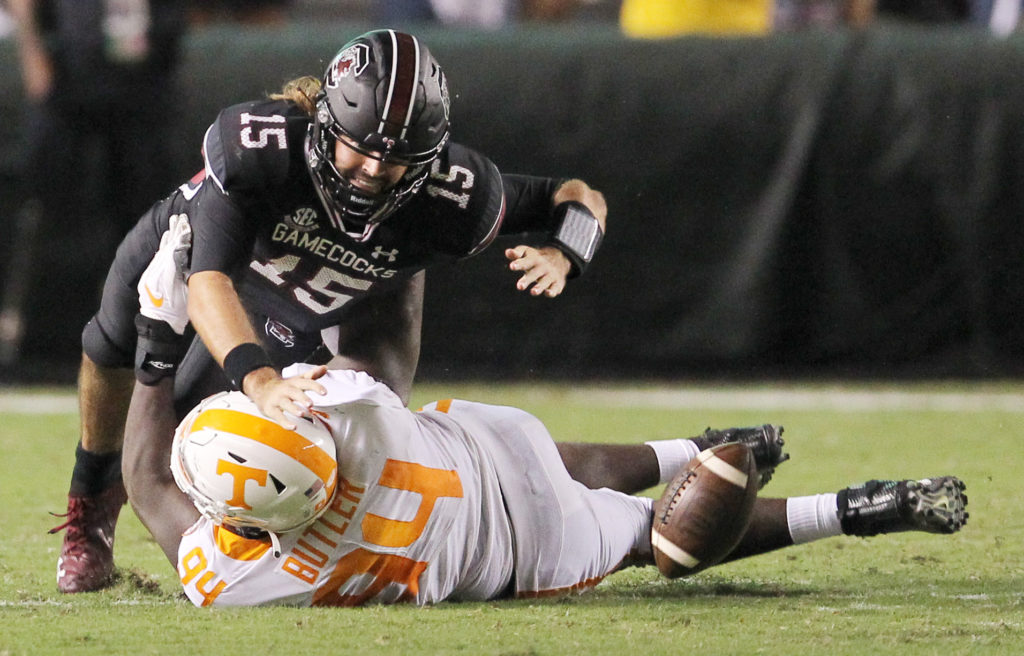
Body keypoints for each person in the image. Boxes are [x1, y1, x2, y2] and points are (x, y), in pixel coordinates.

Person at [50, 28, 609, 593]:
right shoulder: (263, 152)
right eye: (360, 147)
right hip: (199, 260)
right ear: (325, 123)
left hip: (324, 307)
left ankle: (315, 533)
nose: (374, 168)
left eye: (396, 158)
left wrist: (565, 253)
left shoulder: (456, 194)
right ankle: (90, 506)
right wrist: (260, 380)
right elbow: (208, 282)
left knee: (362, 433)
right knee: (111, 349)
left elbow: (576, 195)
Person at [121, 242, 967, 607]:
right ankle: (699, 449)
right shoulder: (356, 419)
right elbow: (369, 352)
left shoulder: (234, 583)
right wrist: (167, 324)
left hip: (512, 557)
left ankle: (855, 509)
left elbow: (146, 481)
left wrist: (155, 344)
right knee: (560, 464)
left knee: (654, 536)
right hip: (488, 452)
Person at [4, 0, 186, 361]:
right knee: (57, 214)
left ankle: (139, 336)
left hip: (142, 91)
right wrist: (33, 52)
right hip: (71, 86)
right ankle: (47, 340)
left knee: (146, 222)